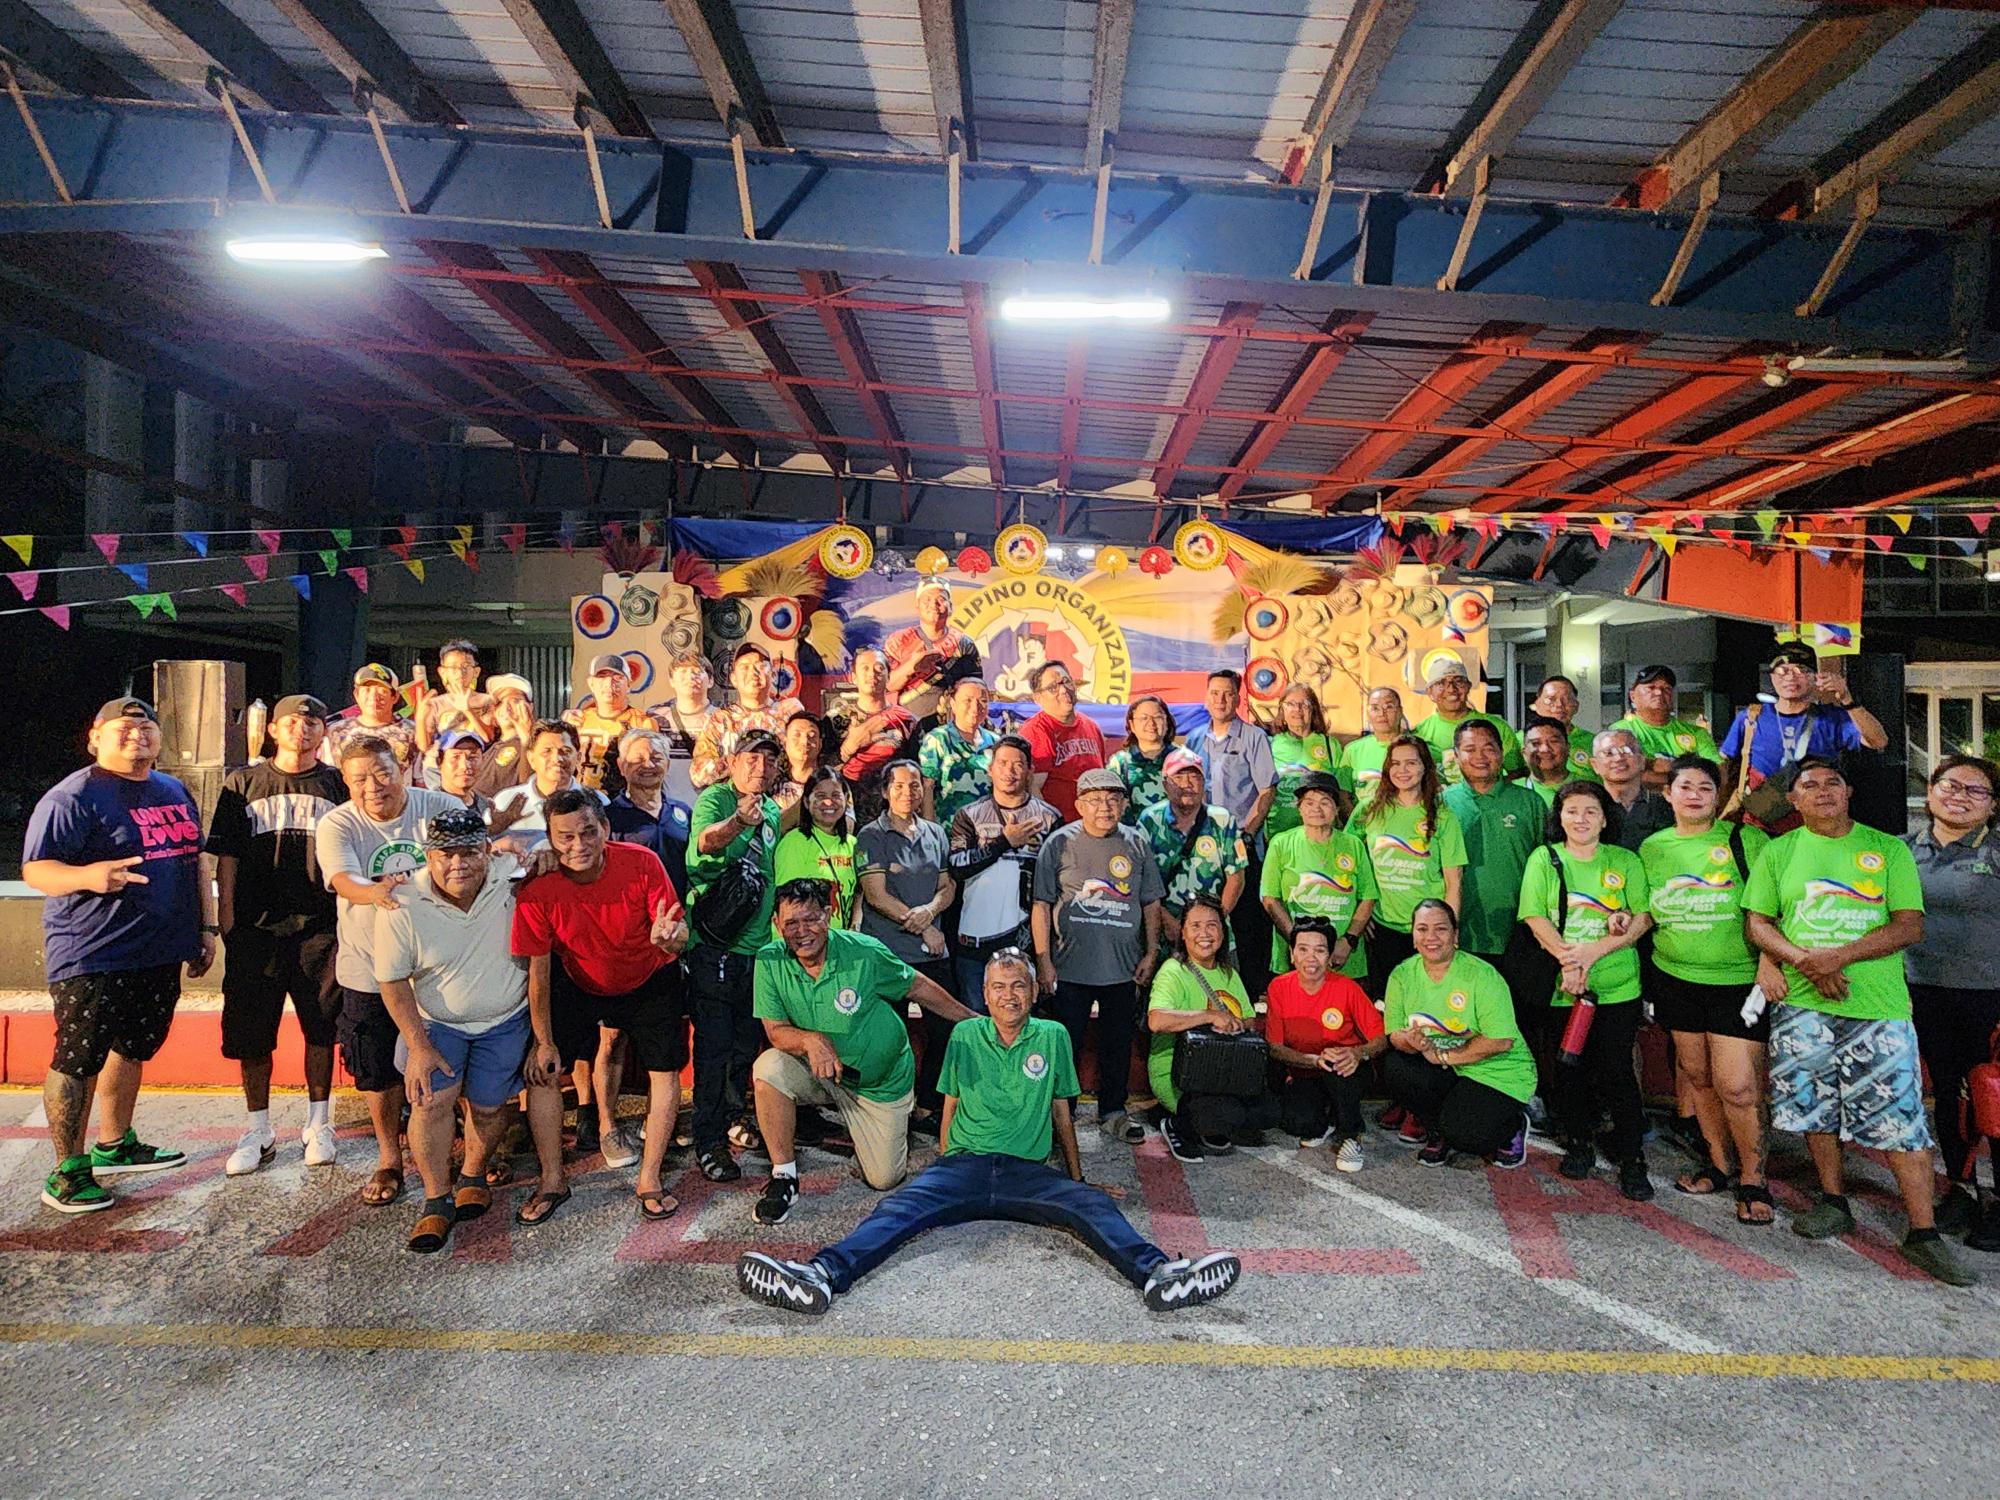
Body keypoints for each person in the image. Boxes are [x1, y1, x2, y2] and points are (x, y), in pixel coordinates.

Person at [736, 947, 1241, 1316]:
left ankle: (1160, 1276)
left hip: (1028, 1171)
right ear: (985, 993)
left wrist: (1076, 1176)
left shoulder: (1054, 1035)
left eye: (1018, 985)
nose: (1009, 995)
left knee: (1093, 1208)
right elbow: (949, 1103)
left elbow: (1063, 1111)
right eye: (998, 987)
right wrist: (942, 1161)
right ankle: (821, 1276)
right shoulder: (964, 1034)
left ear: (1034, 990)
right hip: (966, 1165)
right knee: (897, 1208)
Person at [1744, 758, 1973, 1285]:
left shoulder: (1887, 849)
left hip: (1876, 1007)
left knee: (1899, 1118)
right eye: (1809, 786)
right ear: (1793, 801)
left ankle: (1923, 1232)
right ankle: (1833, 1199)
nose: (1822, 792)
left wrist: (1836, 957)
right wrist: (1805, 961)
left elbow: (1909, 926)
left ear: (1848, 792)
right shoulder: (1779, 852)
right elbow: (1759, 922)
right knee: (1816, 1109)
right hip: (1803, 1004)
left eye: (1832, 783)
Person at [23, 697, 213, 1213]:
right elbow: (36, 870)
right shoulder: (73, 797)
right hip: (95, 950)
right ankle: (66, 1171)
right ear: (96, 737)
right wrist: (88, 876)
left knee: (132, 1046)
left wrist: (204, 927)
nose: (138, 735)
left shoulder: (172, 788)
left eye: (147, 726)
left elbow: (193, 859)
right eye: (124, 728)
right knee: (78, 1056)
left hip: (161, 946)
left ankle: (116, 1143)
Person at [374, 808, 561, 1252]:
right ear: (428, 856)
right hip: (438, 1024)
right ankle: (436, 1198)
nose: (458, 863)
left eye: (469, 852)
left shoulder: (513, 880)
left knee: (491, 1107)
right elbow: (392, 980)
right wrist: (417, 1045)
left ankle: (474, 1171)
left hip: (505, 1020)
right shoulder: (402, 903)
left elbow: (551, 856)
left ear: (486, 851)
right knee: (431, 1102)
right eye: (445, 854)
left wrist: (548, 855)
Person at [747, 879, 973, 1224]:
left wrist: (972, 1020)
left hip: (877, 1083)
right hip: (821, 1071)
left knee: (884, 1179)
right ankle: (784, 1177)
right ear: (777, 925)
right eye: (791, 923)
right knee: (768, 1069)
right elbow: (776, 1033)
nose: (802, 931)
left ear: (829, 914)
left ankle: (880, 1123)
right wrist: (811, 1040)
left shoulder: (865, 951)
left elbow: (918, 987)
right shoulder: (769, 960)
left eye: (811, 919)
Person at [513, 789, 689, 1222]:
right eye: (565, 837)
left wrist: (671, 940)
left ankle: (650, 1177)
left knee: (664, 1072)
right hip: (578, 980)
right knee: (543, 1070)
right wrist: (543, 1041)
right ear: (550, 839)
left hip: (649, 974)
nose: (579, 845)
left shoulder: (642, 862)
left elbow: (678, 933)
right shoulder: (538, 887)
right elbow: (538, 973)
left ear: (606, 829)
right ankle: (552, 1178)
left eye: (589, 832)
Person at [316, 735, 464, 1207]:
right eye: (358, 779)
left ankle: (465, 1151)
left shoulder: (438, 805)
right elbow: (342, 879)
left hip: (436, 965)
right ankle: (389, 1158)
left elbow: (469, 860)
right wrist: (378, 892)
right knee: (376, 1069)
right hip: (369, 968)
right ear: (345, 781)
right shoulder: (337, 822)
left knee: (450, 1058)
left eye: (382, 773)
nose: (372, 786)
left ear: (403, 768)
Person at [208, 693, 347, 1177]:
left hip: (319, 928)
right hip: (256, 927)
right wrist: (226, 917)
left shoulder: (337, 783)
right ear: (274, 730)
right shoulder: (243, 782)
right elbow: (225, 857)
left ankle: (318, 1121)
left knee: (321, 1027)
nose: (302, 729)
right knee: (252, 1033)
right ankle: (258, 1128)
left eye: (313, 722)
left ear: (323, 732)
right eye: (293, 722)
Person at [1639, 755, 1772, 1223]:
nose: (1694, 794)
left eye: (1705, 787)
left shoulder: (1746, 840)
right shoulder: (1651, 849)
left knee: (1737, 1085)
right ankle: (1718, 1163)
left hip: (1737, 982)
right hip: (1674, 978)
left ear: (1719, 797)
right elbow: (1646, 909)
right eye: (1685, 786)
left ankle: (1754, 1176)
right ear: (1668, 794)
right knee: (1697, 1079)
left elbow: (1772, 910)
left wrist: (1770, 963)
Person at [1519, 780, 1655, 1201]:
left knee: (1616, 1071)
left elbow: (1642, 918)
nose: (1581, 819)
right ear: (1558, 816)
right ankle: (1578, 1143)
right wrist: (1570, 961)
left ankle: (1632, 1158)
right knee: (1569, 1070)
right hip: (1565, 985)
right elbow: (1535, 917)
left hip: (1617, 986)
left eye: (1590, 811)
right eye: (1572, 810)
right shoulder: (1546, 858)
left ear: (1604, 818)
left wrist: (1593, 953)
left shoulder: (1625, 860)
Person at [1031, 767, 1164, 1145]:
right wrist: (1044, 961)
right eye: (1095, 800)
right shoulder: (1058, 844)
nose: (1104, 807)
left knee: (1117, 1044)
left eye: (1113, 799)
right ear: (1078, 805)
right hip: (1070, 967)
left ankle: (1113, 1112)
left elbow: (1151, 902)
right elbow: (1041, 904)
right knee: (1066, 1043)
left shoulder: (1137, 842)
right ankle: (1063, 1112)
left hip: (1122, 968)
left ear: (1123, 804)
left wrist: (1151, 951)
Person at [1903, 755, 2000, 1252]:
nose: (1960, 795)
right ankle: (1961, 1189)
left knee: (1994, 1101)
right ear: (1930, 790)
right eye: (1950, 784)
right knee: (1949, 1094)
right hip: (1921, 991)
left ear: (1992, 805)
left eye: (1976, 791)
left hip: (1988, 997)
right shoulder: (1900, 850)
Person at [684, 728, 785, 1181]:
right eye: (751, 758)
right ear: (732, 760)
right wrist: (739, 823)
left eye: (768, 760)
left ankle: (732, 1121)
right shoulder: (716, 800)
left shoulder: (774, 813)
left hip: (757, 952)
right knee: (713, 1050)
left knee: (744, 1046)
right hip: (716, 949)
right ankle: (706, 1139)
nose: (759, 767)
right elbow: (704, 844)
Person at [1382, 900, 1534, 1168]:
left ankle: (1513, 1124)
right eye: (1422, 929)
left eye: (1440, 929)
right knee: (1397, 1067)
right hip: (1447, 1066)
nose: (1431, 937)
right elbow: (1394, 1034)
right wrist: (1411, 1041)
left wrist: (1443, 1056)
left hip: (1496, 1072)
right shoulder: (1401, 975)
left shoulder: (1482, 976)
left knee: (1467, 1137)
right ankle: (1437, 1130)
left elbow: (1501, 1041)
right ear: (1413, 936)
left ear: (1456, 935)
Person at [855, 761, 955, 1129]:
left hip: (932, 952)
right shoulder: (870, 835)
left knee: (945, 1029)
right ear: (884, 792)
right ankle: (890, 1109)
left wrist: (929, 913)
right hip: (888, 953)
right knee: (889, 1037)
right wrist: (921, 926)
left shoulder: (935, 833)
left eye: (914, 786)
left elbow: (948, 887)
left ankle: (928, 1105)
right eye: (898, 786)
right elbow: (876, 896)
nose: (907, 793)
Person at [1146, 897, 1275, 1160]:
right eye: (1195, 926)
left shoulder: (1229, 973)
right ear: (1183, 932)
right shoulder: (1173, 971)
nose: (1204, 934)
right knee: (1227, 1116)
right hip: (1179, 1073)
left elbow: (1249, 1020)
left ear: (1223, 932)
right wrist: (1209, 1016)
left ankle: (1205, 1120)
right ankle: (1174, 1123)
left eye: (1212, 926)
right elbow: (1156, 1021)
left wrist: (1237, 1025)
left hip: (1224, 1071)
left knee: (1268, 1112)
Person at [946, 734, 1059, 1009]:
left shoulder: (1049, 817)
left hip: (1025, 943)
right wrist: (1004, 842)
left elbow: (1055, 886)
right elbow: (958, 866)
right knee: (976, 1026)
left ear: (1031, 771)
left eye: (1018, 764)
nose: (1010, 771)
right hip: (974, 942)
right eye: (1003, 763)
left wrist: (1046, 956)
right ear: (991, 769)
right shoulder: (969, 815)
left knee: (1023, 1026)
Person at [1719, 645, 1888, 827]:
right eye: (1782, 671)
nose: (1791, 677)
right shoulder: (1751, 717)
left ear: (1815, 678)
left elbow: (1878, 741)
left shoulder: (1832, 718)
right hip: (1759, 824)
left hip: (1815, 827)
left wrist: (1847, 699)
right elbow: (1722, 765)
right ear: (1772, 677)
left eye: (1801, 670)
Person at [1187, 669, 1278, 1001]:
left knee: (1248, 921)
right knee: (1209, 918)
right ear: (1206, 697)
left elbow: (1267, 790)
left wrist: (1247, 833)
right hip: (1205, 848)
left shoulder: (1253, 738)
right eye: (1214, 693)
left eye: (1227, 693)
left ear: (1238, 698)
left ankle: (1253, 994)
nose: (1220, 700)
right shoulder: (1196, 738)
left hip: (1243, 843)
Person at [1263, 918, 1381, 1169]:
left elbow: (1380, 1039)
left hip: (1346, 1069)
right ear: (1292, 954)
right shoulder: (1278, 987)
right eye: (1303, 949)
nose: (1311, 958)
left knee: (1339, 1063)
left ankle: (1351, 1135)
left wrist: (1357, 1053)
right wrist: (1313, 1060)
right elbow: (1275, 1046)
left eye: (1319, 950)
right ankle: (1329, 1117)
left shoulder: (1348, 988)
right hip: (1307, 1069)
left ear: (1330, 957)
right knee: (1298, 1123)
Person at [1347, 736, 1465, 986]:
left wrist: (1450, 931)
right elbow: (1348, 861)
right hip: (1382, 928)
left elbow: (1453, 883)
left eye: (1411, 763)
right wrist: (1359, 914)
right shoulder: (1369, 809)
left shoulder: (1443, 816)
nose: (1402, 771)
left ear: (1425, 767)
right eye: (1396, 763)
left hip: (1429, 932)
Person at [1441, 719, 1546, 1000]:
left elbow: (1547, 869)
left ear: (1501, 753)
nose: (1480, 757)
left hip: (1522, 935)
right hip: (1462, 934)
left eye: (1488, 748)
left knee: (1522, 1023)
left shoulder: (1530, 802)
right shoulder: (1442, 804)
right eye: (1470, 749)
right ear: (1456, 755)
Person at [1261, 771, 1377, 983]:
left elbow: (1368, 897)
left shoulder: (1353, 844)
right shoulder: (1281, 843)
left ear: (1337, 809)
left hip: (1344, 957)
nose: (1316, 809)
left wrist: (1348, 941)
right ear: (1299, 808)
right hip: (1294, 957)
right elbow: (1270, 898)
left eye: (1325, 802)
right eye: (1309, 803)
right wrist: (1296, 941)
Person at [1136, 748, 1247, 950]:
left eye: (1194, 776)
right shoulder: (1149, 821)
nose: (1187, 784)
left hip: (1213, 938)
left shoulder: (1222, 820)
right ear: (1165, 784)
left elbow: (1236, 878)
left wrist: (1213, 922)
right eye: (1179, 777)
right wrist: (1168, 922)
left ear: (1204, 782)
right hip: (1163, 935)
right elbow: (1141, 881)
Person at [690, 643, 806, 790]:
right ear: (733, 679)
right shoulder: (721, 720)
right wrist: (738, 763)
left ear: (773, 674)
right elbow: (698, 774)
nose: (753, 672)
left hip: (781, 803)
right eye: (744, 667)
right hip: (734, 804)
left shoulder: (788, 714)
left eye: (760, 666)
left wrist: (802, 720)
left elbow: (806, 762)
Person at [836, 646, 920, 824]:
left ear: (889, 677)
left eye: (879, 668)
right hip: (848, 812)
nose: (872, 674)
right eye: (865, 668)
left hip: (893, 812)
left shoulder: (906, 720)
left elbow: (918, 770)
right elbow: (822, 769)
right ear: (853, 677)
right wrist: (849, 746)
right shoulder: (837, 719)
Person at [606, 728, 693, 896]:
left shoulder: (684, 812)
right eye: (639, 759)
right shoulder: (608, 818)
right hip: (631, 914)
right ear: (622, 766)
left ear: (667, 765)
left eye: (656, 758)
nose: (648, 765)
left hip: (678, 915)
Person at [1410, 658, 1521, 784]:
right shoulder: (1419, 733)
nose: (1451, 689)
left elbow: (1518, 772)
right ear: (1429, 692)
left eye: (1458, 681)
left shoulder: (1497, 727)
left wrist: (1487, 790)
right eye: (1441, 683)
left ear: (1468, 687)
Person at [1020, 662, 1105, 823]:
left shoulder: (1092, 726)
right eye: (1053, 687)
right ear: (1038, 698)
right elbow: (1032, 788)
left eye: (1066, 682)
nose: (1063, 690)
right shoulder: (1036, 731)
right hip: (1061, 830)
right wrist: (1052, 828)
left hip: (1094, 826)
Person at [491, 720, 597, 850]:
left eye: (566, 751)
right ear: (531, 758)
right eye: (547, 751)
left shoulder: (597, 802)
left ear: (579, 758)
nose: (557, 759)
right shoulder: (506, 801)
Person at [774, 766, 858, 928]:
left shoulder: (853, 845)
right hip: (802, 940)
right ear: (806, 802)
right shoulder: (794, 843)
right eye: (820, 796)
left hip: (837, 943)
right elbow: (789, 905)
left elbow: (861, 891)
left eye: (836, 795)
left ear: (846, 799)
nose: (828, 802)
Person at [1612, 665, 1719, 789]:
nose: (1659, 692)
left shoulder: (1697, 733)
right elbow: (1627, 775)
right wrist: (1689, 776)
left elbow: (1715, 773)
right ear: (1632, 696)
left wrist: (1649, 765)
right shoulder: (1619, 732)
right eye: (1651, 688)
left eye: (1666, 689)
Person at [884, 577, 977, 718]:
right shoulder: (898, 641)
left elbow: (974, 688)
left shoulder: (964, 644)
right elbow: (885, 685)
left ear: (950, 607)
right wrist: (911, 667)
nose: (933, 604)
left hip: (951, 723)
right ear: (917, 606)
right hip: (908, 722)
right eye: (927, 599)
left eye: (941, 599)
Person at [565, 653, 652, 795]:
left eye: (617, 678)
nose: (609, 684)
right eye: (602, 677)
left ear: (629, 684)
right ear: (591, 683)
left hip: (624, 804)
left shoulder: (642, 724)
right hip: (583, 803)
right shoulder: (577, 721)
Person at [918, 676, 995, 826]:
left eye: (983, 701)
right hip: (950, 828)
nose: (975, 707)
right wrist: (931, 831)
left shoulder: (996, 742)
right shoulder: (938, 739)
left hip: (988, 828)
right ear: (953, 704)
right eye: (968, 700)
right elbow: (927, 787)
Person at [1267, 685, 1341, 840]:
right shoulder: (1270, 744)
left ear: (1313, 709)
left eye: (1304, 704)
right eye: (1291, 704)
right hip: (1279, 831)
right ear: (1282, 710)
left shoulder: (1330, 744)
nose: (1297, 710)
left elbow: (1341, 791)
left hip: (1321, 832)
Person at [325, 663, 419, 783]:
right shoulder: (336, 731)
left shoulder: (412, 731)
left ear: (395, 697)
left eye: (382, 691)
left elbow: (420, 778)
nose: (374, 697)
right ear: (356, 694)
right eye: (367, 690)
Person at [415, 638, 496, 774]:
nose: (460, 672)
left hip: (475, 767)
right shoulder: (435, 704)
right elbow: (424, 746)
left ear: (476, 671)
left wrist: (467, 710)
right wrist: (420, 716)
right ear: (442, 672)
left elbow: (488, 737)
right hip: (440, 769)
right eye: (453, 667)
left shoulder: (487, 701)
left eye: (466, 667)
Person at [647, 650, 715, 807]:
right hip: (669, 809)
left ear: (710, 681)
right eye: (682, 672)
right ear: (671, 680)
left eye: (697, 672)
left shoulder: (723, 718)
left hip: (711, 808)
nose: (690, 677)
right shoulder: (655, 717)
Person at [1591, 726, 1673, 851]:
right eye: (1609, 753)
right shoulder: (1587, 808)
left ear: (1642, 761)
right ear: (1595, 765)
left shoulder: (1666, 806)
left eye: (1627, 751)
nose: (1618, 759)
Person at [1106, 694, 1177, 826]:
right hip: (1133, 839)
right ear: (1132, 725)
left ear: (1167, 722)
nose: (1151, 723)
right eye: (1144, 718)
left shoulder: (1181, 759)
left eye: (1157, 717)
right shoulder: (1120, 763)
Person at [472, 674, 536, 802]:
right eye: (500, 702)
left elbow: (529, 785)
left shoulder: (536, 745)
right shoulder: (488, 746)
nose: (507, 708)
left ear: (530, 707)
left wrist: (526, 739)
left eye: (516, 701)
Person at [1529, 675, 1599, 782]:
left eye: (1567, 700)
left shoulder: (1594, 742)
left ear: (1576, 706)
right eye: (1551, 699)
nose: (1559, 705)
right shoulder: (1519, 740)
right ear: (1537, 704)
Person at [1339, 686, 1406, 795]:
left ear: (1400, 712)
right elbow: (1343, 793)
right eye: (1375, 708)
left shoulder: (1414, 748)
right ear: (1368, 714)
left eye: (1389, 707)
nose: (1382, 714)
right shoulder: (1352, 751)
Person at [773, 710, 827, 815]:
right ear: (785, 742)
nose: (804, 742)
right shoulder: (772, 782)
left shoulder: (831, 782)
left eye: (811, 736)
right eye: (797, 735)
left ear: (820, 744)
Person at [1520, 715, 1574, 809]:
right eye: (1536, 743)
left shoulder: (1590, 787)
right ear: (1524, 753)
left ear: (1568, 748)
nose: (1545, 749)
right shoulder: (1510, 791)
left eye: (1553, 741)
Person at [434, 727, 491, 815]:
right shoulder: (430, 806)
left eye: (472, 758)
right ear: (439, 762)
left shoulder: (485, 807)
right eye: (456, 757)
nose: (465, 766)